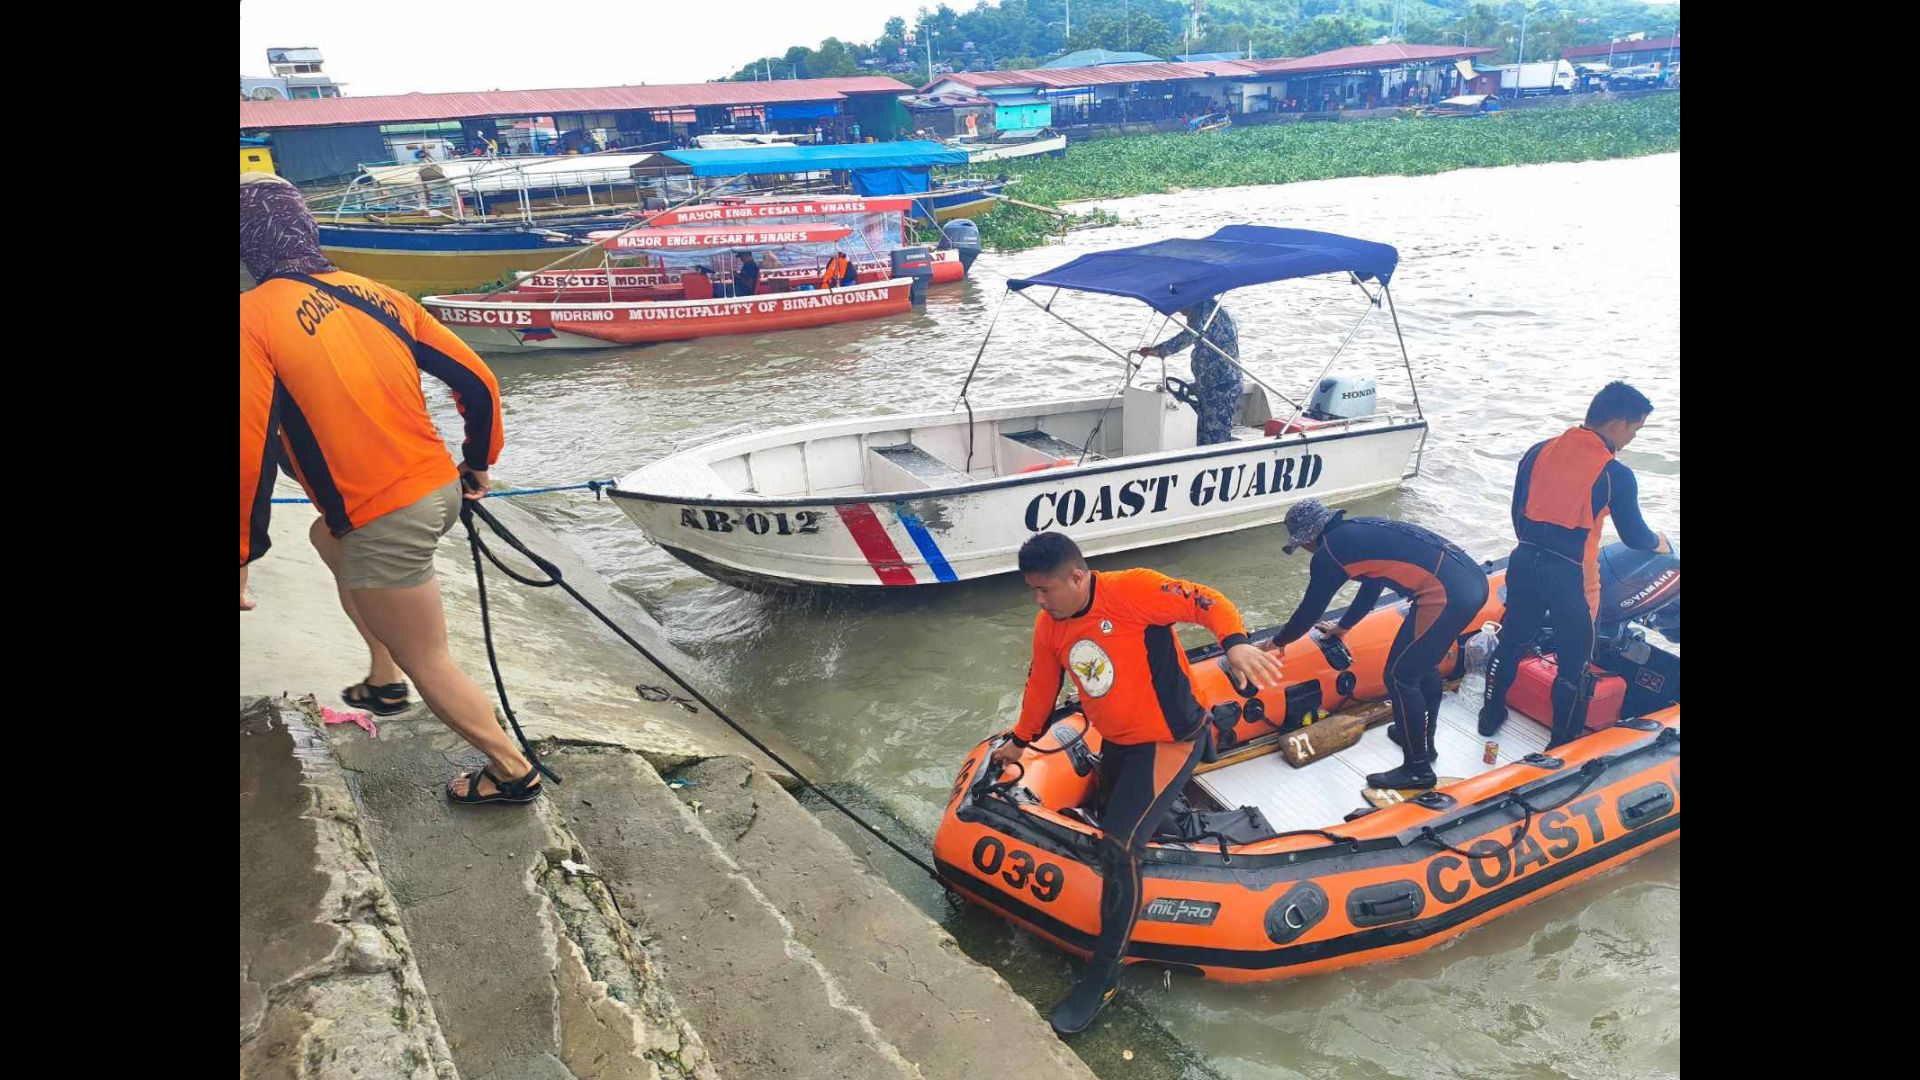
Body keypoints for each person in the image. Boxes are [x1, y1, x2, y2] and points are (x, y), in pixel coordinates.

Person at [239, 173, 545, 807]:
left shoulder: (251, 320)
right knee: (327, 537)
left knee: (429, 658)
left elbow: (247, 456)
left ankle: (511, 771)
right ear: (308, 228)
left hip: (384, 516)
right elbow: (479, 382)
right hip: (438, 489)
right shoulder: (379, 294)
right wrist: (479, 462)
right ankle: (383, 680)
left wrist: (243, 556)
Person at [991, 533, 1284, 1035]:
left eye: (1045, 589)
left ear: (1077, 577)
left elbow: (1206, 601)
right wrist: (1021, 740)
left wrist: (1235, 644)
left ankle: (1105, 974)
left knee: (1120, 845)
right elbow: (1042, 683)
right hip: (1120, 740)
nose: (1038, 600)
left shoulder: (1133, 591)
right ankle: (1216, 824)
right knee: (1115, 818)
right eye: (1032, 591)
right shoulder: (1050, 625)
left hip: (1168, 739)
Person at [1479, 382, 1672, 748]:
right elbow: (1634, 536)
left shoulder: (1538, 451)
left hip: (1524, 560)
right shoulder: (1615, 474)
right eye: (1634, 429)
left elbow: (1517, 513)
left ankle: (1490, 715)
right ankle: (1561, 744)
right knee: (1574, 664)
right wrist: (1658, 543)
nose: (1631, 438)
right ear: (1617, 423)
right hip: (1572, 577)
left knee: (1512, 641)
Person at [1266, 500, 1490, 790]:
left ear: (1309, 538)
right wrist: (1344, 627)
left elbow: (1309, 611)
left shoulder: (1329, 554)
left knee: (1401, 677)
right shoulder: (1358, 529)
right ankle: (1425, 742)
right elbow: (1373, 583)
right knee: (1422, 666)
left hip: (1445, 595)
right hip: (1471, 582)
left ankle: (1417, 769)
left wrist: (1277, 642)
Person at [1137, 297, 1244, 446]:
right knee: (1202, 432)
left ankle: (1216, 462)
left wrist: (1157, 351)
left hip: (1222, 384)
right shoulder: (1207, 307)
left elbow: (1188, 336)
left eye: (1179, 309)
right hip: (1210, 383)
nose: (1180, 313)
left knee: (1216, 433)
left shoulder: (1201, 308)